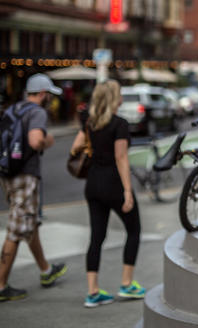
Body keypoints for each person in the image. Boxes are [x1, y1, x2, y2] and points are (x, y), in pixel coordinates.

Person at [70, 80, 145, 308]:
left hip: (92, 184)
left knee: (96, 237)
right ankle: (126, 284)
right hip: (113, 184)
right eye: (120, 93)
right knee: (134, 230)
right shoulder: (119, 124)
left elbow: (74, 148)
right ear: (114, 98)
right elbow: (121, 158)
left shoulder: (89, 122)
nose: (122, 96)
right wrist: (128, 191)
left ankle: (93, 292)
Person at [0, 73, 67, 301]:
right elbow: (35, 140)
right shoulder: (37, 112)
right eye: (49, 95)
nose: (50, 99)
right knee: (17, 228)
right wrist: (48, 140)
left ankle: (46, 270)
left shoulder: (14, 109)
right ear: (42, 94)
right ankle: (1, 285)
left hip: (9, 173)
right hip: (26, 175)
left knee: (30, 224)